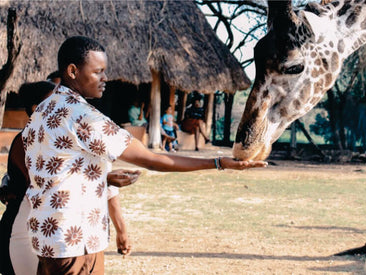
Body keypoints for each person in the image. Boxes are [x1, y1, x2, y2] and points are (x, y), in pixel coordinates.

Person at [21, 36, 266, 274]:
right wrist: (218, 162)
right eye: (98, 71)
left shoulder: (42, 111)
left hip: (48, 235)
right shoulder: (82, 116)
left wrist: (102, 178)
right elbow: (152, 159)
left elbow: (56, 170)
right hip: (76, 240)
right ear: (73, 71)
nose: (105, 78)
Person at [0, 81, 139, 275]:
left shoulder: (78, 135)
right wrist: (103, 178)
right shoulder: (29, 140)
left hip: (72, 233)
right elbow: (50, 181)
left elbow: (106, 192)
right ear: (36, 108)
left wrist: (121, 229)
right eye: (53, 99)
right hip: (27, 231)